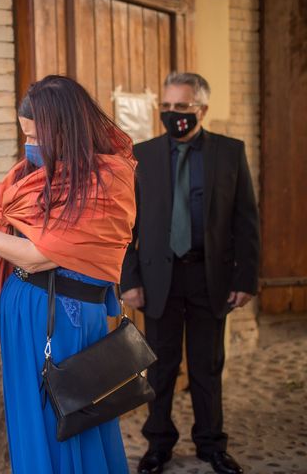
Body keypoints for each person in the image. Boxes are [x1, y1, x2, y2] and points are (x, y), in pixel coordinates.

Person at [0, 75, 136, 474]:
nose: (29, 146)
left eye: (35, 136)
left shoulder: (109, 180)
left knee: (68, 421)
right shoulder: (51, 168)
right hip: (24, 314)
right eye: (25, 135)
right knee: (33, 422)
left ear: (64, 131)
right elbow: (6, 199)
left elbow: (37, 255)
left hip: (62, 320)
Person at [120, 72, 259, 474]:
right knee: (160, 367)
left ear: (202, 109)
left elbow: (245, 219)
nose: (172, 113)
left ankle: (211, 444)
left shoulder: (230, 153)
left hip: (208, 277)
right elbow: (126, 225)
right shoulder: (142, 155)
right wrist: (129, 279)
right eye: (166, 106)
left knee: (206, 366)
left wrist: (245, 278)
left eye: (181, 107)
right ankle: (158, 444)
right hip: (157, 280)